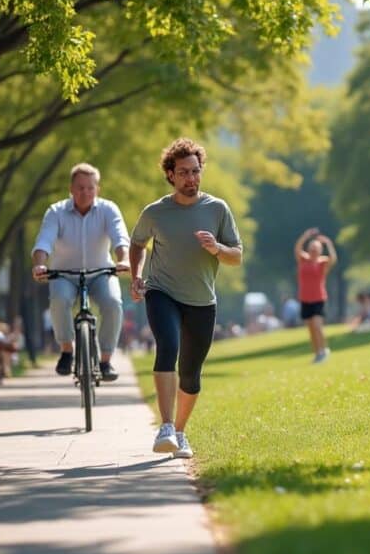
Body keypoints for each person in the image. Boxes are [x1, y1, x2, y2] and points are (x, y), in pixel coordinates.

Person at [130, 138, 242, 459]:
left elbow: (236, 256)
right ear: (170, 175)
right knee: (168, 345)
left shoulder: (217, 209)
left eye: (195, 171)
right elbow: (137, 244)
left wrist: (217, 249)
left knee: (191, 374)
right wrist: (136, 276)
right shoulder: (155, 212)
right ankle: (165, 426)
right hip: (161, 291)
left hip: (201, 300)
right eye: (183, 172)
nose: (191, 178)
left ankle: (179, 433)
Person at [32, 163, 130, 381]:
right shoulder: (56, 212)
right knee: (59, 300)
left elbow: (120, 238)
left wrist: (123, 259)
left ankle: (105, 360)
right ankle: (67, 350)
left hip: (101, 272)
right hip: (64, 275)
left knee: (113, 303)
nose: (85, 192)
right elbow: (44, 241)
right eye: (80, 187)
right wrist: (39, 264)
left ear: (97, 189)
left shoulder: (108, 210)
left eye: (90, 187)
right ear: (71, 188)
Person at [294, 227, 337, 363]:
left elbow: (333, 258)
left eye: (316, 249)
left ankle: (324, 350)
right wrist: (305, 236)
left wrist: (328, 243)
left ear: (320, 251)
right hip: (304, 298)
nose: (313, 251)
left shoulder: (323, 262)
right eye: (312, 248)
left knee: (317, 326)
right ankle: (317, 353)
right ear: (309, 249)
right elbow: (297, 248)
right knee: (311, 328)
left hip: (318, 298)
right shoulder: (303, 259)